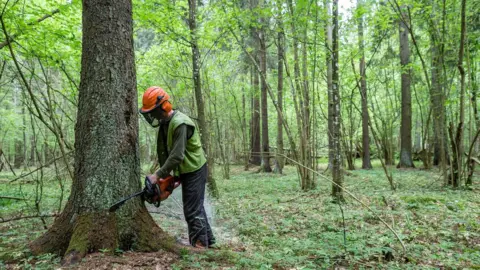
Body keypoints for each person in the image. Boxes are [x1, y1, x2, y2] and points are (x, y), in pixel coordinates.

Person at [139, 86, 215, 248]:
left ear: (164, 107)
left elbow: (177, 155)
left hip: (194, 169)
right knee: (195, 207)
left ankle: (200, 246)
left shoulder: (180, 124)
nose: (152, 115)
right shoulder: (166, 124)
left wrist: (157, 175)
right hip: (186, 169)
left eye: (153, 111)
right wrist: (172, 178)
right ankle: (208, 240)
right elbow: (167, 153)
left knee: (192, 210)